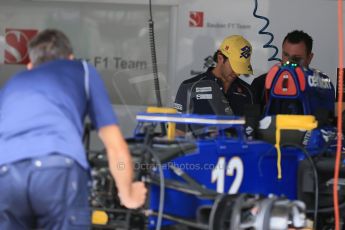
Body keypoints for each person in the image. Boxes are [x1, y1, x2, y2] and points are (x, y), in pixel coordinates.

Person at [0, 29, 147, 229]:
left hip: (6, 172)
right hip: (57, 168)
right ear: (70, 58)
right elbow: (115, 147)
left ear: (30, 66)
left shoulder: (14, 83)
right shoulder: (82, 70)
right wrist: (128, 193)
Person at [173, 35, 254, 133]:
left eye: (241, 68)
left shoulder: (248, 92)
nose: (237, 73)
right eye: (234, 66)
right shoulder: (189, 87)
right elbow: (178, 131)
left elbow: (251, 132)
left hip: (235, 148)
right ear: (220, 58)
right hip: (200, 148)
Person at [251, 30, 335, 115]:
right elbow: (251, 124)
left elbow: (327, 122)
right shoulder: (262, 83)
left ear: (309, 58)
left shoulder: (321, 84)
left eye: (296, 58)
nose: (289, 62)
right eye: (286, 55)